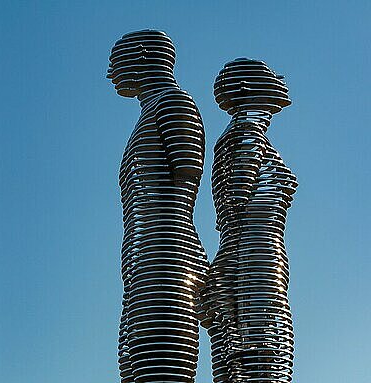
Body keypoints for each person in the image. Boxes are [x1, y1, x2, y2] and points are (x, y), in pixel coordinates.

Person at [107, 30, 208, 383]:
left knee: (163, 362)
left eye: (116, 61)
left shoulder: (173, 104)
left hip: (167, 254)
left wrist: (173, 257)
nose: (110, 73)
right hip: (145, 259)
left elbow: (186, 179)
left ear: (145, 54)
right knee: (135, 364)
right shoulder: (151, 110)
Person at [202, 58, 298, 383]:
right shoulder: (245, 138)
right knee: (264, 367)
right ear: (247, 88)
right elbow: (237, 207)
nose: (280, 79)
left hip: (254, 264)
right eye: (270, 74)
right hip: (253, 269)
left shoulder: (244, 137)